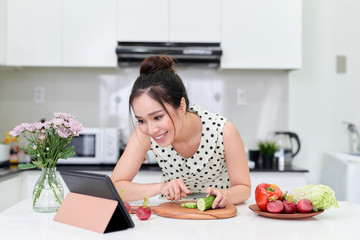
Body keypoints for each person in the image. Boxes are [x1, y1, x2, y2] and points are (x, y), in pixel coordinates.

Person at [111, 55, 251, 209]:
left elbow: (244, 188)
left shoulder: (223, 131)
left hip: (217, 213)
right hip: (170, 212)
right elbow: (116, 187)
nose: (150, 129)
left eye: (158, 117)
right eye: (141, 120)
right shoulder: (143, 133)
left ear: (182, 106)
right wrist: (161, 187)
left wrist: (225, 195)